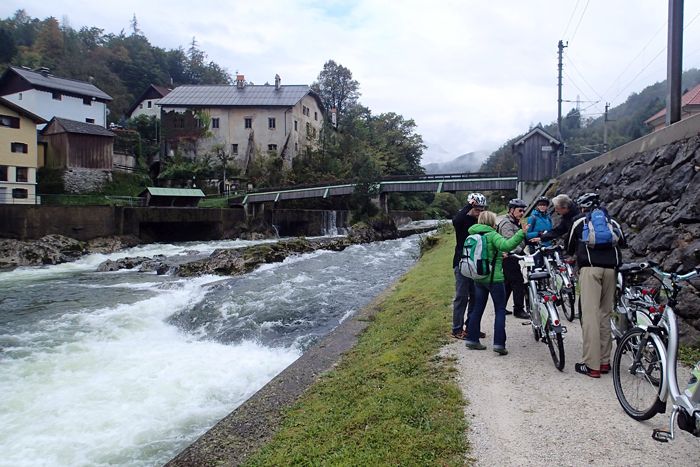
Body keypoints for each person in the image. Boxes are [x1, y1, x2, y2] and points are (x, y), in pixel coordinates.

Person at [566, 192, 626, 378]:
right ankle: (605, 361)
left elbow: (569, 246)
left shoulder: (579, 222)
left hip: (590, 270)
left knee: (590, 315)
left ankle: (591, 365)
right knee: (604, 314)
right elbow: (622, 242)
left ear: (583, 207)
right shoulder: (611, 222)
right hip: (611, 271)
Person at [464, 210, 529, 355]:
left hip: (478, 278)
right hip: (495, 279)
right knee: (500, 310)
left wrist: (500, 254)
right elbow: (507, 245)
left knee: (477, 309)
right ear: (491, 221)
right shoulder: (492, 234)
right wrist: (521, 233)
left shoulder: (473, 234)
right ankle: (499, 344)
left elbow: (486, 253)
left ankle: (472, 339)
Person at [451, 192, 487, 339]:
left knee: (475, 296)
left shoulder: (481, 222)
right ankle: (457, 329)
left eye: (482, 209)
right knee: (461, 296)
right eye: (477, 209)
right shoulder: (462, 220)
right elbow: (455, 220)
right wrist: (469, 205)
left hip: (476, 264)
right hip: (461, 263)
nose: (479, 212)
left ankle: (471, 327)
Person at [497, 198, 530, 319]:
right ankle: (519, 309)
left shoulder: (516, 222)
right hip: (508, 257)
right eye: (520, 210)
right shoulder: (507, 224)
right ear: (511, 210)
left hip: (513, 256)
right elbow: (509, 243)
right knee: (518, 282)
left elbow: (520, 239)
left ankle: (500, 307)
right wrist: (521, 252)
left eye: (523, 211)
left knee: (508, 283)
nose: (522, 213)